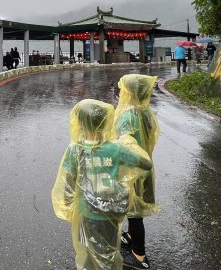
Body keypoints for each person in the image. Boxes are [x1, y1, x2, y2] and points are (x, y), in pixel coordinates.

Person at [52, 99, 152, 270]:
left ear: (80, 124)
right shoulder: (116, 148)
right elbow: (146, 164)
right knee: (109, 251)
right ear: (106, 123)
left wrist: (68, 207)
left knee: (88, 251)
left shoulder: (75, 150)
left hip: (86, 214)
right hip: (112, 213)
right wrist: (128, 142)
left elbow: (67, 183)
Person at [114, 74, 161, 270]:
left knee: (134, 214)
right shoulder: (146, 112)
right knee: (136, 211)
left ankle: (138, 255)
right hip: (145, 168)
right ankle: (133, 239)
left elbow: (124, 146)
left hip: (132, 171)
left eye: (124, 88)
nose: (121, 91)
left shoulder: (128, 115)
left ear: (130, 92)